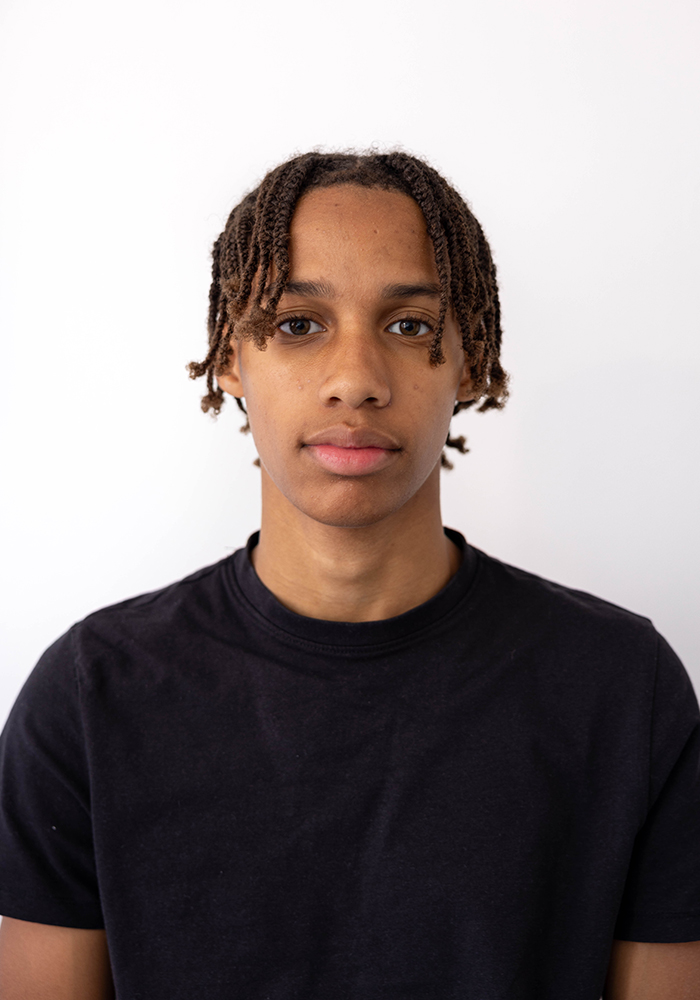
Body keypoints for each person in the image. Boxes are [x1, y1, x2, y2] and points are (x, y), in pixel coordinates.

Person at [0, 150, 698, 1000]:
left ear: (470, 359)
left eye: (408, 326)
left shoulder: (622, 688)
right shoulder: (92, 693)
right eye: (299, 323)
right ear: (229, 358)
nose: (355, 381)